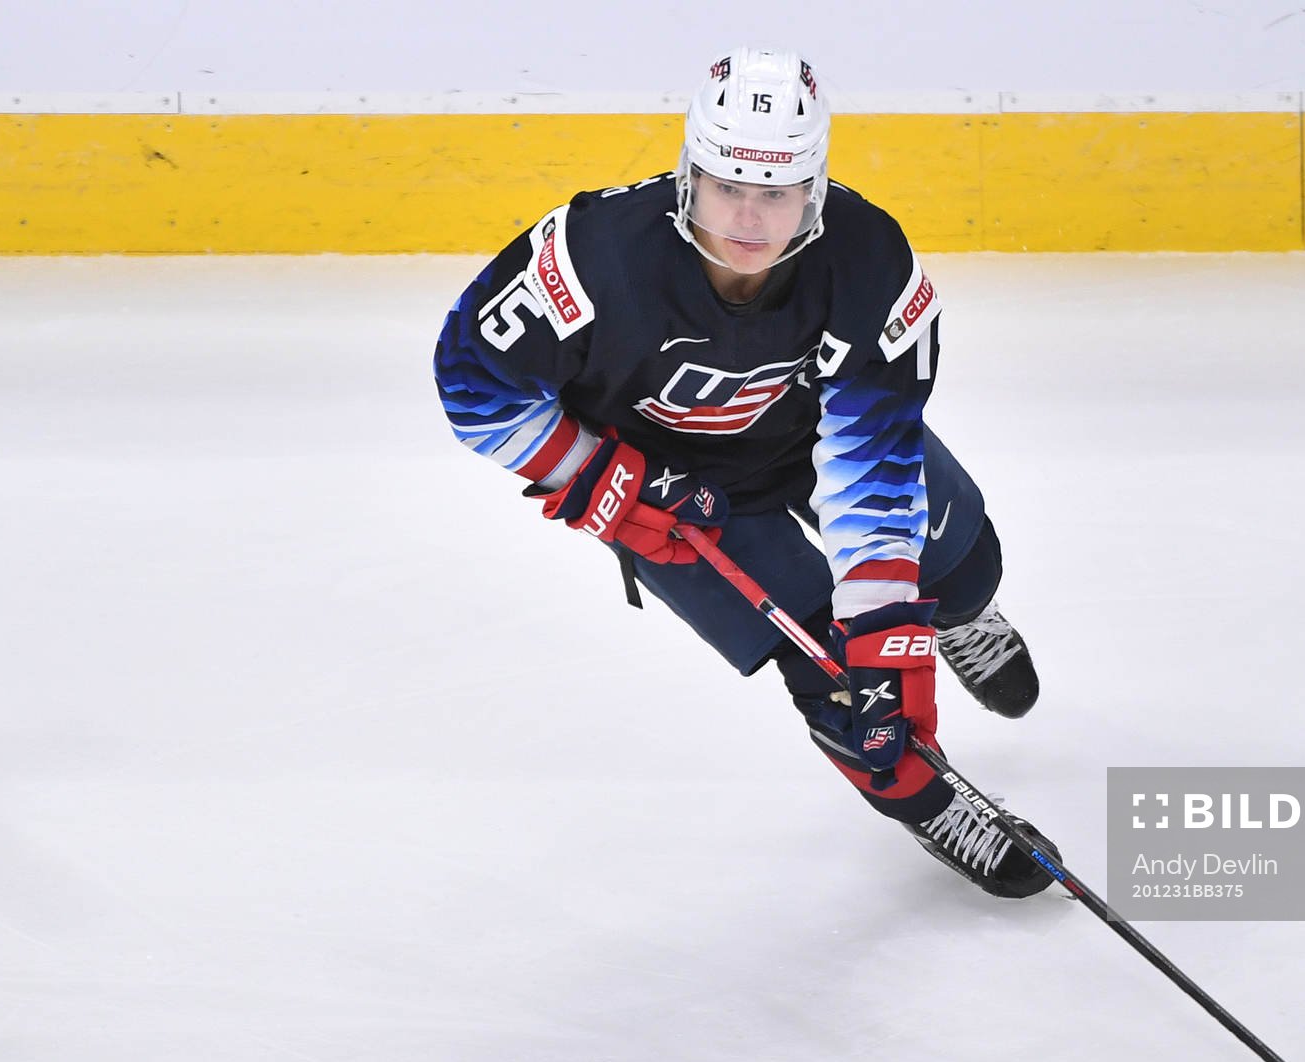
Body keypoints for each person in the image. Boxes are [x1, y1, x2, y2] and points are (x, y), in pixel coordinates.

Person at [433, 48, 1055, 897]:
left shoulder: (868, 258)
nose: (750, 219)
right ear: (689, 174)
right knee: (831, 678)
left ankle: (966, 616)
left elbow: (872, 457)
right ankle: (930, 804)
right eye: (729, 186)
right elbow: (474, 382)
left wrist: (887, 632)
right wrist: (595, 478)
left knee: (961, 571)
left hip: (807, 438)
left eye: (778, 192)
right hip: (677, 493)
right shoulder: (593, 255)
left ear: (815, 188)